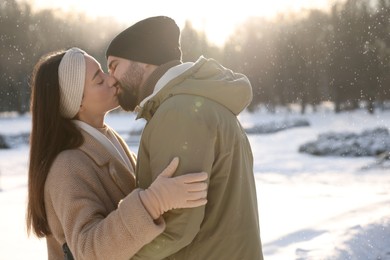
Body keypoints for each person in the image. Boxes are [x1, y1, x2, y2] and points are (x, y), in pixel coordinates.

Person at [26, 47, 209, 260]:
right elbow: (88, 251)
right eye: (99, 80)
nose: (111, 79)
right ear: (78, 101)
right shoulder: (66, 166)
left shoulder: (107, 138)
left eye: (104, 71)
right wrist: (154, 201)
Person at [106, 16, 264, 259]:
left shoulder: (179, 112)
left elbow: (175, 227)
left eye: (114, 65)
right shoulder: (197, 102)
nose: (111, 79)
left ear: (144, 61)